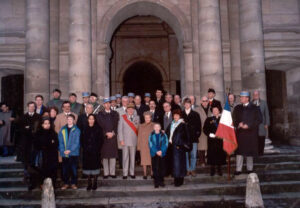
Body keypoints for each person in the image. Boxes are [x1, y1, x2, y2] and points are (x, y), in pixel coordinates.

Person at [233, 91, 262, 175]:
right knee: (240, 152)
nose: (240, 98)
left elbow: (259, 119)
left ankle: (250, 168)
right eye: (240, 97)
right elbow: (234, 119)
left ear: (247, 98)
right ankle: (238, 169)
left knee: (250, 151)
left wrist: (249, 125)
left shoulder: (255, 108)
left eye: (242, 97)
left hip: (250, 133)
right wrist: (238, 124)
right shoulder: (237, 108)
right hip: (240, 133)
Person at [19, 101, 41, 190]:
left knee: (34, 164)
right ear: (27, 107)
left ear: (35, 108)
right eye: (30, 106)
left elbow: (38, 129)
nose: (31, 108)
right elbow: (20, 129)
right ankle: (28, 182)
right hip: (26, 144)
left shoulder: (38, 117)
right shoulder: (23, 117)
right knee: (27, 163)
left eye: (33, 106)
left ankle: (34, 182)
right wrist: (28, 128)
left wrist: (29, 128)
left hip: (35, 143)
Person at [165, 109, 191, 187]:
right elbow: (167, 133)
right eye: (174, 115)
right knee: (174, 164)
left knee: (179, 164)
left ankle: (179, 181)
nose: (175, 116)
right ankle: (176, 179)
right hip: (171, 147)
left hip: (179, 147)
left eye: (177, 115)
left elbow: (187, 137)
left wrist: (182, 145)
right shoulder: (171, 124)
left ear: (180, 116)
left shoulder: (183, 125)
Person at [97, 98, 119, 179]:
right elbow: (99, 126)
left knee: (113, 155)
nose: (107, 105)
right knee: (105, 156)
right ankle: (106, 173)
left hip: (113, 137)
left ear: (111, 104)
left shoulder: (115, 113)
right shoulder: (100, 114)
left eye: (109, 103)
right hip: (104, 138)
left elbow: (117, 125)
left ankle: (112, 173)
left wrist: (113, 133)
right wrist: (106, 133)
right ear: (103, 105)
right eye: (106, 103)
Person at [81, 114, 104, 190]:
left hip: (95, 152)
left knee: (95, 167)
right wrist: (85, 147)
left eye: (92, 119)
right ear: (88, 120)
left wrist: (97, 148)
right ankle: (89, 183)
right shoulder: (84, 128)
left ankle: (95, 182)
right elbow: (81, 139)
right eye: (90, 119)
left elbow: (101, 140)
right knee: (88, 168)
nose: (91, 120)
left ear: (95, 120)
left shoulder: (98, 128)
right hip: (86, 152)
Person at [58, 114, 81, 190]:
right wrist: (63, 150)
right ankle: (66, 183)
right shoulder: (62, 129)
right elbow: (60, 141)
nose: (69, 120)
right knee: (65, 169)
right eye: (68, 119)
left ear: (73, 120)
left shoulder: (77, 130)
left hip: (73, 153)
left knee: (73, 169)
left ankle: (74, 183)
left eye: (71, 119)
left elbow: (77, 143)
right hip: (64, 153)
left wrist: (70, 150)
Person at [35, 117, 58, 188]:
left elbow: (56, 143)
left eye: (48, 123)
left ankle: (52, 185)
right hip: (43, 156)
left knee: (52, 171)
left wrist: (49, 143)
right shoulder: (38, 133)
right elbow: (37, 144)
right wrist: (49, 143)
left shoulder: (53, 132)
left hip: (52, 156)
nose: (47, 125)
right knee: (43, 171)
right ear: (42, 125)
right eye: (45, 124)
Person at [118, 103, 140, 179]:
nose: (130, 110)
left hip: (134, 140)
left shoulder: (137, 118)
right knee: (125, 157)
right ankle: (125, 173)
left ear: (134, 110)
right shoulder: (122, 117)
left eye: (132, 109)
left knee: (132, 158)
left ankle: (132, 173)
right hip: (125, 141)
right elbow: (120, 130)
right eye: (129, 109)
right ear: (126, 110)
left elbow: (138, 129)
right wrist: (121, 140)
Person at [203, 106, 227, 176]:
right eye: (213, 110)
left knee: (220, 155)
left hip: (220, 140)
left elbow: (226, 129)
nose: (215, 111)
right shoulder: (208, 119)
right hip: (212, 140)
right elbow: (205, 129)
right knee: (212, 155)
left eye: (216, 110)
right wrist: (209, 134)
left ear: (219, 111)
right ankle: (212, 169)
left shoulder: (223, 119)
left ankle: (219, 169)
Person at [182, 98, 201, 177]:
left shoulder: (196, 114)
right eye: (185, 103)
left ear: (190, 104)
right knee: (185, 155)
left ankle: (192, 169)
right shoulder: (181, 114)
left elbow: (199, 126)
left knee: (193, 155)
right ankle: (187, 169)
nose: (187, 105)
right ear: (183, 104)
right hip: (184, 138)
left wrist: (196, 135)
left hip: (193, 138)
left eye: (188, 103)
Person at [149, 123, 168, 188]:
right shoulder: (151, 135)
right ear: (154, 128)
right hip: (154, 153)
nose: (157, 128)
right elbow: (150, 144)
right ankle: (156, 182)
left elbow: (166, 143)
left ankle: (161, 181)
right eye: (155, 127)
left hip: (162, 153)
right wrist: (156, 151)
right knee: (155, 168)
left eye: (158, 127)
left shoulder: (163, 134)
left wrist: (161, 151)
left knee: (162, 168)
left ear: (160, 128)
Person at [252, 90, 270, 156]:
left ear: (259, 95)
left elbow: (267, 114)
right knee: (254, 139)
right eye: (254, 95)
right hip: (253, 125)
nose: (255, 96)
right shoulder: (251, 103)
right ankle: (255, 152)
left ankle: (261, 152)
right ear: (253, 95)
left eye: (257, 94)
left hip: (262, 124)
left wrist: (267, 123)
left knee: (261, 138)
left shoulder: (264, 103)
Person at [137, 111, 154, 179]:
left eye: (148, 118)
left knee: (151, 160)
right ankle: (145, 173)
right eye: (146, 118)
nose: (147, 119)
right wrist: (139, 146)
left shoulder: (154, 125)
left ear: (151, 118)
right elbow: (139, 136)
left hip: (151, 146)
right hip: (143, 145)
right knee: (144, 160)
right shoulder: (141, 126)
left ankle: (152, 173)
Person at [197, 96, 211, 166]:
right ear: (201, 102)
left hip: (209, 131)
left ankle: (209, 161)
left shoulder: (210, 109)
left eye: (206, 101)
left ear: (208, 102)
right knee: (201, 147)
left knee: (209, 146)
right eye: (203, 101)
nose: (205, 102)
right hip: (201, 130)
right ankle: (202, 161)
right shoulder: (197, 110)